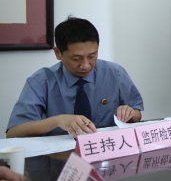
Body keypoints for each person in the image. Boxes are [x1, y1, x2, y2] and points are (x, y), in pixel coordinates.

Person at [6, 16, 144, 138]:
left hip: (106, 149)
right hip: (60, 155)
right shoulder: (41, 81)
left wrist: (131, 114)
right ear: (58, 53)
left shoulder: (115, 73)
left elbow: (137, 114)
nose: (85, 65)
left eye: (92, 56)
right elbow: (13, 132)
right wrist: (57, 121)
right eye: (76, 58)